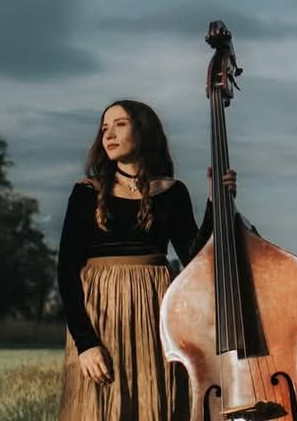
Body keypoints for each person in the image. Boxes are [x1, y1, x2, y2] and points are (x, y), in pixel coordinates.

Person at [57, 99, 235, 421]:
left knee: (156, 403)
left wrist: (215, 201)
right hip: (101, 314)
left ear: (144, 130)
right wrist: (86, 343)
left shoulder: (172, 191)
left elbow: (195, 258)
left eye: (120, 124)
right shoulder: (86, 192)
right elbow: (67, 272)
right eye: (104, 128)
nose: (108, 134)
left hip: (157, 311)